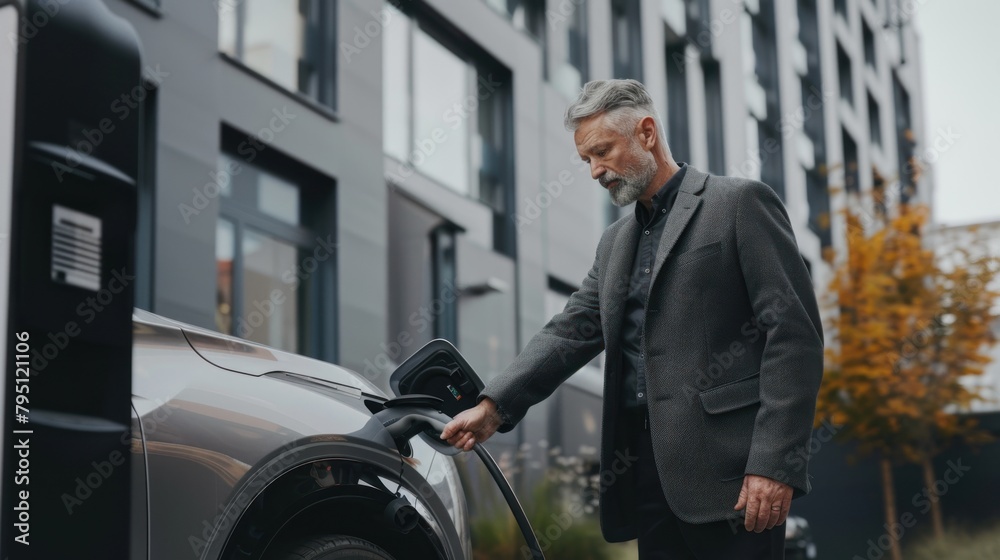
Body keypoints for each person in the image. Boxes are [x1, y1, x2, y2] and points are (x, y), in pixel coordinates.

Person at [439, 79, 824, 559]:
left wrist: (773, 463)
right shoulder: (614, 243)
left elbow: (794, 338)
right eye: (586, 161)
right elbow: (571, 330)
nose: (596, 171)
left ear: (646, 133)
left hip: (736, 480)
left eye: (602, 152)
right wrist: (493, 407)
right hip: (647, 478)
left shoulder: (739, 205)